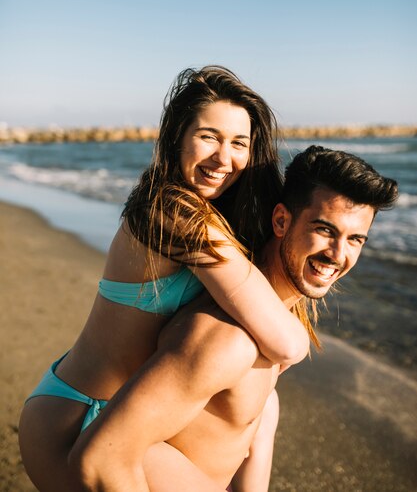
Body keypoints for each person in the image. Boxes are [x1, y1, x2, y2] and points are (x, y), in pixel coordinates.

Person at [19, 66, 310, 491]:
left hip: (114, 417)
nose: (223, 158)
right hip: (77, 419)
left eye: (239, 143)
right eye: (209, 136)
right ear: (178, 137)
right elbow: (288, 342)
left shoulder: (209, 218)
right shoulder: (175, 212)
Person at [68, 145, 398, 492]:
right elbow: (102, 458)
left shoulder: (270, 337)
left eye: (355, 239)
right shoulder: (226, 339)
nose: (338, 255)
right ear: (281, 221)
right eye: (325, 230)